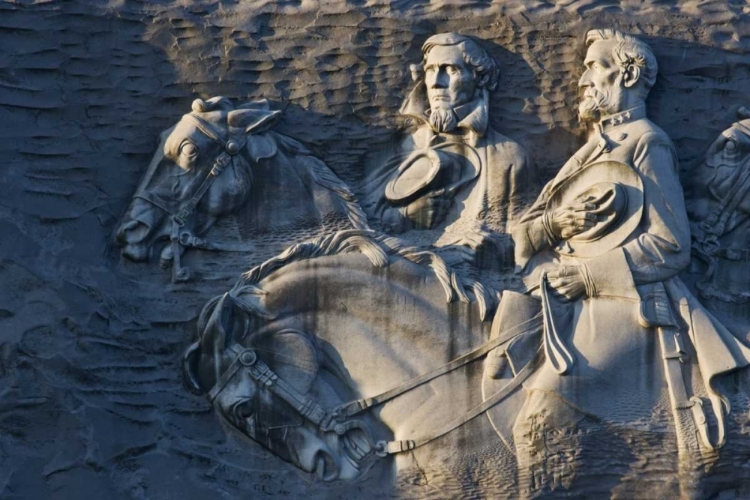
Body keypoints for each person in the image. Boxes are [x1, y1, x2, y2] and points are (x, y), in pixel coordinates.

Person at [486, 29, 750, 496]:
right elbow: (524, 233)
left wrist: (590, 275)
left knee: (540, 424)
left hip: (626, 302)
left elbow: (671, 244)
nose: (584, 77)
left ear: (625, 73)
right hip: (558, 296)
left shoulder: (647, 141)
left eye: (593, 65)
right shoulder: (595, 145)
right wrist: (555, 224)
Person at [363, 33, 537, 265]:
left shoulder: (509, 157)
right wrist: (406, 215)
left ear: (479, 78)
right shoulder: (398, 148)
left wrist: (493, 249)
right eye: (431, 70)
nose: (436, 82)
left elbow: (528, 237)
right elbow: (362, 224)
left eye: (450, 70)